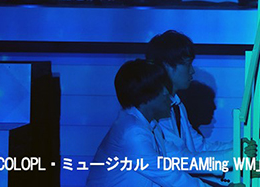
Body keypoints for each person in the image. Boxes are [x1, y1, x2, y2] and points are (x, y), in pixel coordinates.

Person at [87, 59, 241, 186]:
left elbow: (183, 160)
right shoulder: (132, 132)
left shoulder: (148, 127)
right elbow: (170, 177)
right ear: (147, 95)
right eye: (162, 88)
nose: (167, 93)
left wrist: (237, 153)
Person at [145, 30, 256, 182]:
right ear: (167, 66)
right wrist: (236, 155)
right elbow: (179, 160)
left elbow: (199, 147)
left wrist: (238, 146)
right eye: (188, 64)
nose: (192, 71)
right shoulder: (154, 111)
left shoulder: (177, 105)